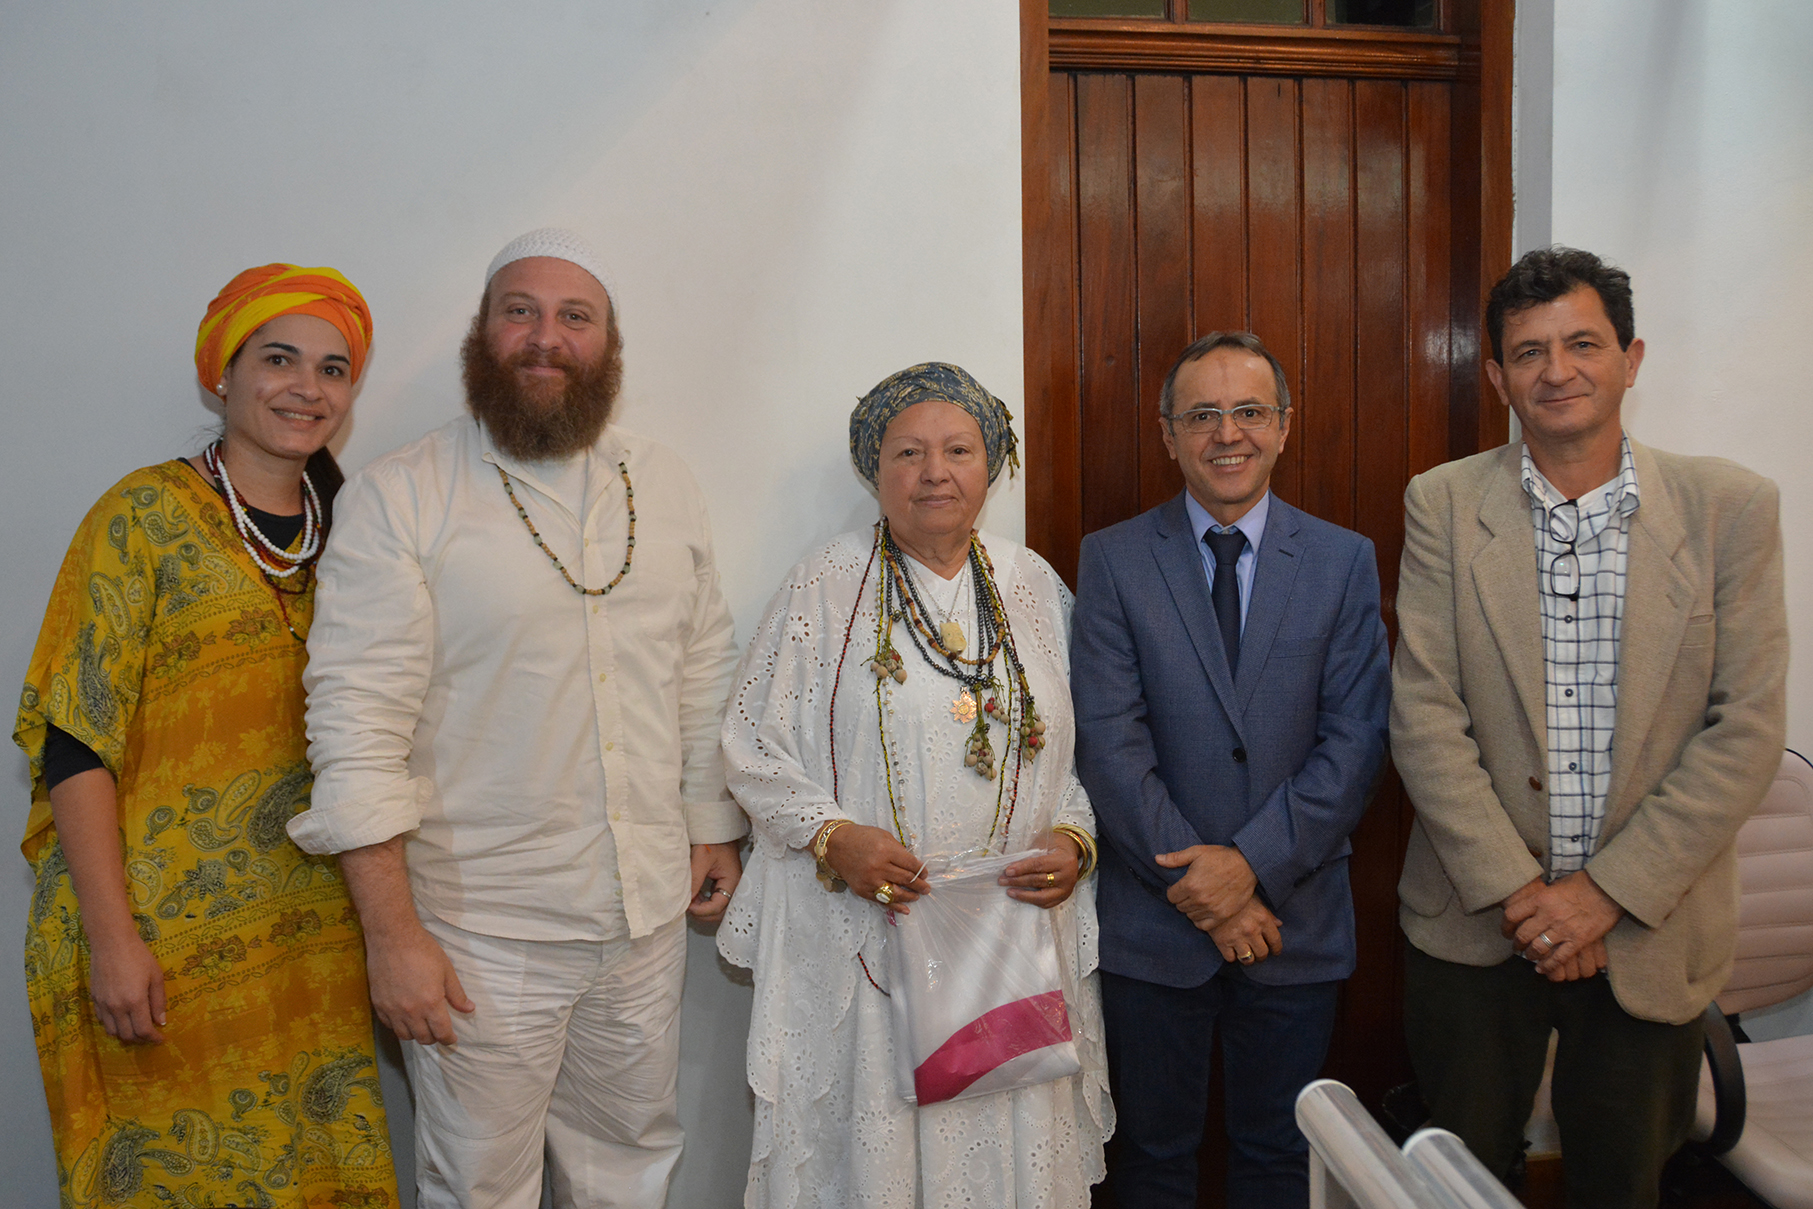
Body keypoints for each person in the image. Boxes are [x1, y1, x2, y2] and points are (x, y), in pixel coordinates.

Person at [288, 228, 743, 1208]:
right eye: (520, 312)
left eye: (575, 317)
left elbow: (701, 658)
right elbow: (355, 724)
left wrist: (710, 818)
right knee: (481, 1188)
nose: (546, 337)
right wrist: (391, 934)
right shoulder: (402, 496)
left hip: (643, 909)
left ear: (607, 345)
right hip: (479, 929)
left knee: (631, 1164)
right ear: (480, 333)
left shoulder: (662, 482)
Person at [1391, 247, 1788, 1209]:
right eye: (1528, 352)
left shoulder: (1730, 508)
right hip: (1478, 924)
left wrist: (1602, 896)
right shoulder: (1442, 502)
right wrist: (1526, 896)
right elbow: (1424, 715)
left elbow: (1744, 730)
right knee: (1456, 1182)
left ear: (1630, 358)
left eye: (1581, 344)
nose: (1556, 370)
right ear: (1497, 377)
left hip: (1650, 926)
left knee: (1624, 1183)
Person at [14, 264, 397, 1206]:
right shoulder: (139, 516)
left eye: (333, 368)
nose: (307, 387)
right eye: (279, 359)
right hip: (153, 942)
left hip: (308, 941)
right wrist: (113, 940)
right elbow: (74, 741)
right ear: (221, 374)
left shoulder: (361, 533)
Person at [718, 363, 1112, 1207]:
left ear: (992, 464)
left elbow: (1082, 749)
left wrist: (1073, 838)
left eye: (957, 449)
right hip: (871, 932)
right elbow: (751, 743)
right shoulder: (825, 583)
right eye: (908, 452)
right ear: (874, 467)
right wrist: (833, 837)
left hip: (1007, 942)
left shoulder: (1031, 584)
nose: (934, 472)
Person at [1070, 331, 1392, 1208]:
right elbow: (1108, 741)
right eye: (1201, 414)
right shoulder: (1112, 558)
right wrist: (1202, 885)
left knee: (1279, 1161)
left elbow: (1357, 737)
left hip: (1294, 918)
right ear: (1166, 433)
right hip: (1154, 927)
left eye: (1249, 411)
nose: (1227, 433)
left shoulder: (1341, 559)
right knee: (1150, 1161)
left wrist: (1248, 866)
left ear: (1283, 426)